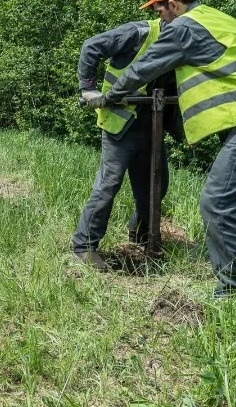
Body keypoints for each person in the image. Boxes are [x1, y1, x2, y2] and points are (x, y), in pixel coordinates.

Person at [84, 0, 236, 296]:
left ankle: (229, 297)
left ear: (172, 5)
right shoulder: (218, 17)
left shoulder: (183, 29)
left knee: (218, 203)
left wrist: (108, 96)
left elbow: (143, 69)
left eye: (160, 11)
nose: (159, 18)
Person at [73, 16, 180, 270]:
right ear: (170, 8)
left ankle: (142, 236)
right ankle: (84, 246)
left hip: (151, 124)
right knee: (108, 184)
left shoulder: (181, 40)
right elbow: (91, 46)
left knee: (156, 185)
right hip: (120, 123)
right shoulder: (140, 33)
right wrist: (88, 89)